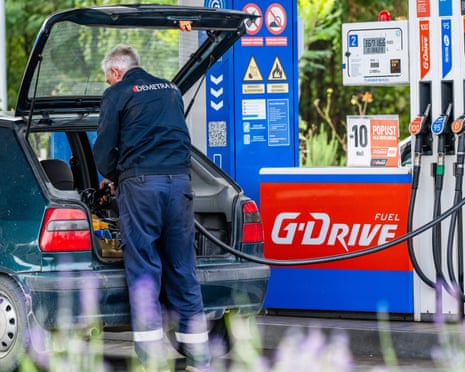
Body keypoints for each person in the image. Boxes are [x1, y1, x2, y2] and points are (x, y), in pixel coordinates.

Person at [93, 45, 211, 371]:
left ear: (116, 73)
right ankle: (198, 357)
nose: (108, 83)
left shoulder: (117, 93)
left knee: (145, 269)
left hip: (142, 187)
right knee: (182, 267)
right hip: (180, 185)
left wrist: (115, 176)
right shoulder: (171, 89)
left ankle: (151, 359)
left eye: (107, 78)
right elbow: (176, 136)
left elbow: (103, 150)